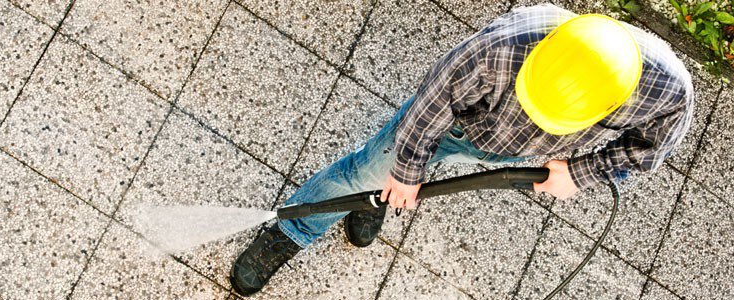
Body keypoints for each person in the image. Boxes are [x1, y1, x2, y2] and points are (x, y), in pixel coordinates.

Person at [229, 4, 694, 296]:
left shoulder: (668, 90)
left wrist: (583, 172)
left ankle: (381, 199)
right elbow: (433, 104)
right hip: (458, 127)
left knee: (388, 183)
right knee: (366, 173)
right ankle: (292, 231)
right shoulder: (503, 44)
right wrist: (408, 169)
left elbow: (648, 150)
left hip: (512, 154)